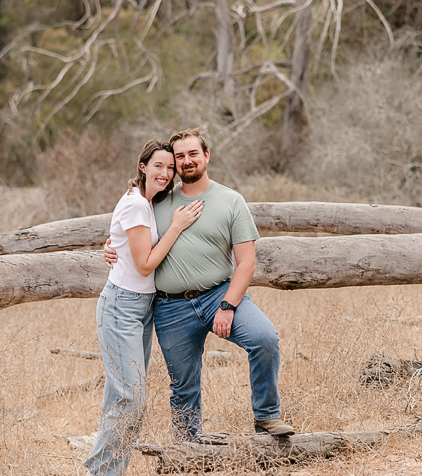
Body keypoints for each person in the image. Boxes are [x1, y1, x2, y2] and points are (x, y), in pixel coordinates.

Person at [107, 127, 294, 442]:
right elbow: (129, 227)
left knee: (264, 339)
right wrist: (109, 245)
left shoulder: (231, 201)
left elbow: (246, 262)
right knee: (183, 385)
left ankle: (266, 416)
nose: (186, 161)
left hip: (219, 295)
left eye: (193, 153)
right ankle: (187, 451)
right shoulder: (159, 199)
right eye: (179, 156)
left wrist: (228, 306)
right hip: (171, 306)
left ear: (206, 155)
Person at [84, 139, 203, 476]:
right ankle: (102, 474)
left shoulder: (149, 203)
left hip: (143, 307)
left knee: (119, 393)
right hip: (122, 305)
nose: (166, 173)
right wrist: (177, 227)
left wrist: (114, 245)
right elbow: (145, 263)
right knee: (132, 396)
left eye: (170, 168)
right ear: (142, 166)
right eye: (159, 167)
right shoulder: (137, 205)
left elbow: (125, 243)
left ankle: (102, 469)